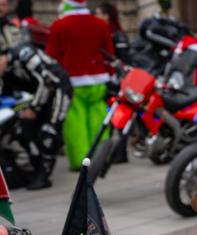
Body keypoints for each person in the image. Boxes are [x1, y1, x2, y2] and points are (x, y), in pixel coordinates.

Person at [46, 0, 114, 172]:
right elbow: (109, 53)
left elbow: (52, 56)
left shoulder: (59, 26)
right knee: (99, 117)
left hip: (71, 81)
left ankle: (80, 159)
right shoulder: (100, 24)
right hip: (98, 79)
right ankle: (101, 157)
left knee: (75, 119)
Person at [0, 43, 72, 190]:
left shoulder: (24, 54)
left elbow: (47, 81)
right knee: (21, 129)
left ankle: (43, 175)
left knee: (49, 132)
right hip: (38, 96)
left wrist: (34, 108)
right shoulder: (7, 72)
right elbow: (8, 94)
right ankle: (32, 169)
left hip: (59, 89)